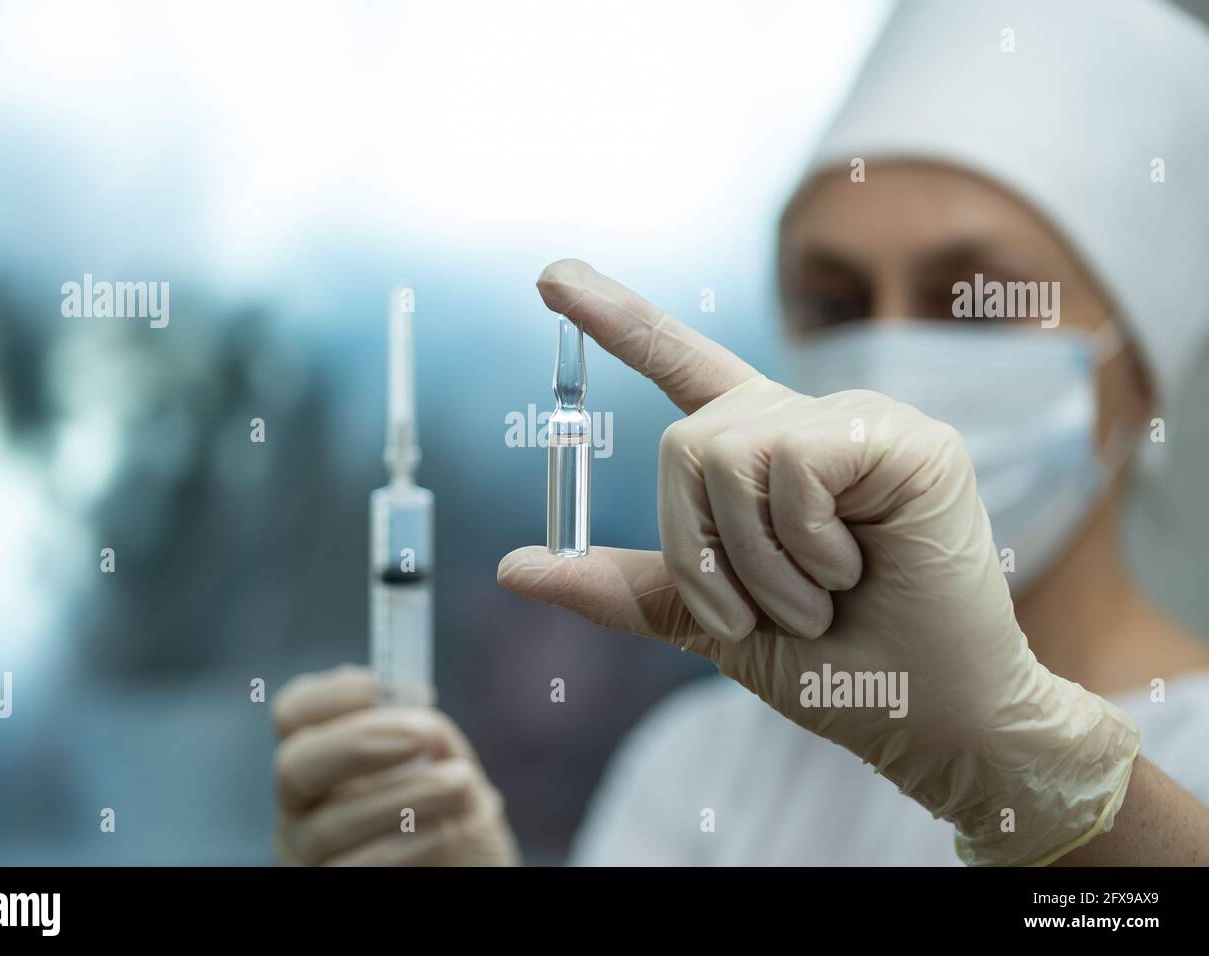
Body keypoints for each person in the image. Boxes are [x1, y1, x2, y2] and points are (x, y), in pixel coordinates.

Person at [271, 0, 1209, 865]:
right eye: (834, 302)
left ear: (1139, 369)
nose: (884, 364)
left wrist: (1023, 768)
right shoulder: (705, 768)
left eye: (969, 305)